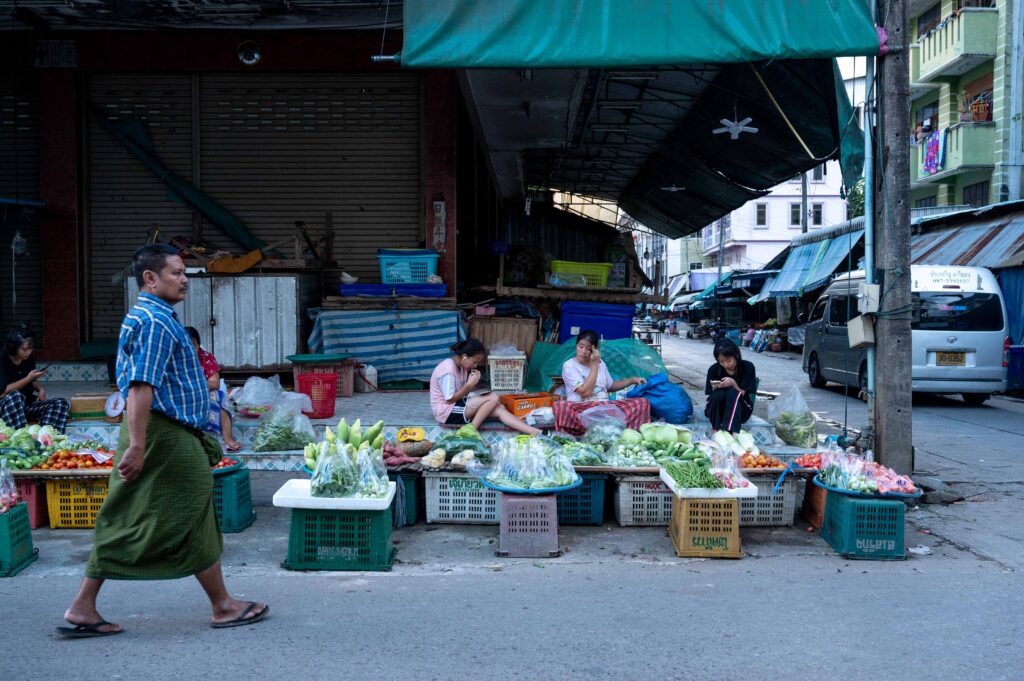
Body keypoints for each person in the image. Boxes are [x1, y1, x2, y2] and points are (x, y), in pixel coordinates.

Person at [57, 244, 267, 638]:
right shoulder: (154, 321)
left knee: (139, 511)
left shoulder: (152, 316)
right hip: (162, 433)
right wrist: (138, 445)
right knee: (186, 508)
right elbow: (141, 386)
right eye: (176, 272)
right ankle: (222, 605)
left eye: (185, 272)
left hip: (163, 431)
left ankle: (85, 604)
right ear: (150, 278)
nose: (185, 279)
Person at [429, 338, 541, 435]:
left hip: (457, 404)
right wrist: (469, 385)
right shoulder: (447, 370)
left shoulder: (462, 367)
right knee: (493, 397)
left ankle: (536, 432)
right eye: (474, 362)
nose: (475, 365)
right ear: (464, 357)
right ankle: (471, 430)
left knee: (499, 408)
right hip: (446, 412)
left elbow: (462, 394)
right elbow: (449, 400)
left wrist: (471, 385)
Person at [551, 330, 650, 435]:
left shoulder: (601, 363)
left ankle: (612, 428)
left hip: (604, 408)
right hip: (581, 408)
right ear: (576, 346)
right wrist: (595, 365)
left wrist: (631, 380)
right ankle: (587, 430)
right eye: (580, 347)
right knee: (560, 406)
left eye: (588, 348)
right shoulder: (569, 366)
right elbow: (585, 392)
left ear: (595, 349)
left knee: (642, 403)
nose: (583, 351)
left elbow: (610, 386)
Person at [1, 327, 71, 433]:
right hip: (7, 407)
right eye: (24, 349)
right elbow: (3, 391)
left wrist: (40, 389)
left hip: (26, 405)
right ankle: (18, 437)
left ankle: (45, 437)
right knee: (16, 396)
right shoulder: (2, 360)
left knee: (60, 403)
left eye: (31, 349)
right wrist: (28, 378)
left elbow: (32, 381)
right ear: (14, 347)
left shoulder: (28, 359)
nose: (28, 352)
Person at [185, 326, 242, 452]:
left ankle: (228, 439)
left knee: (219, 399)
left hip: (204, 392)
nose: (190, 350)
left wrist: (197, 383)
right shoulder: (175, 359)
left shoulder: (206, 358)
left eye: (193, 345)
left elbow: (214, 384)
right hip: (183, 395)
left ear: (199, 345)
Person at [704, 339, 757, 433]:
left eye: (729, 360)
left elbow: (743, 393)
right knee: (718, 393)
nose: (726, 365)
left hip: (741, 411)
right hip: (718, 411)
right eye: (721, 362)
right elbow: (710, 395)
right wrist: (715, 388)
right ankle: (715, 430)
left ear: (736, 355)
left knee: (733, 392)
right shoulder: (713, 369)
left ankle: (733, 432)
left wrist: (733, 384)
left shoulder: (747, 367)